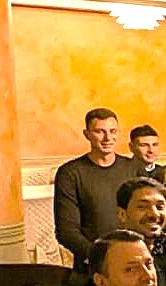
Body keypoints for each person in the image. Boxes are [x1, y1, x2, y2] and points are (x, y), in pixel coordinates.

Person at [54, 107, 139, 271]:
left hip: (134, 259)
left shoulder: (134, 168)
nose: (108, 138)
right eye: (100, 131)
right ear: (87, 134)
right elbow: (66, 231)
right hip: (92, 265)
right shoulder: (70, 173)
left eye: (112, 131)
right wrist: (101, 258)